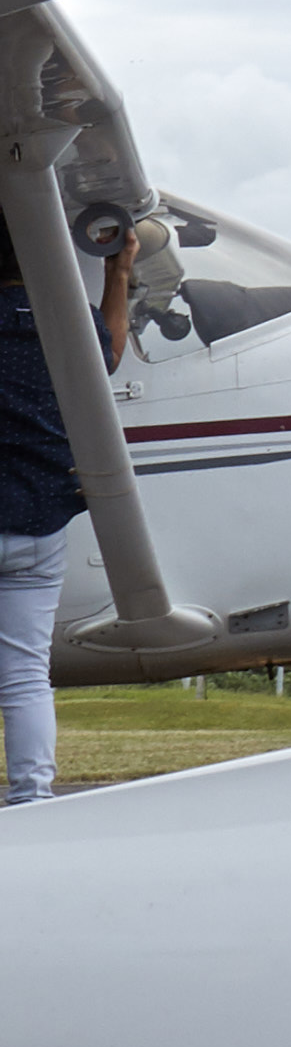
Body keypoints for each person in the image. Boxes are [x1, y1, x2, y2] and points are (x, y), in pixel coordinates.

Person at [0, 263, 69, 809]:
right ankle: (32, 799)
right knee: (25, 676)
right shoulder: (66, 321)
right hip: (37, 518)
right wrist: (118, 271)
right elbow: (109, 355)